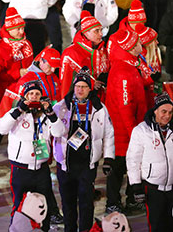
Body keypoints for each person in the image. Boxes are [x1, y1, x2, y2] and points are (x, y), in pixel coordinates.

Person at [0, 80, 65, 231]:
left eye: (37, 94)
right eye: (31, 94)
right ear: (25, 96)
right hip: (21, 170)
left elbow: (59, 132)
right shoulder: (16, 114)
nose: (34, 97)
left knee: (43, 205)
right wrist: (17, 111)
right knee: (19, 204)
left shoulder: (46, 116)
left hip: (41, 170)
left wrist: (51, 113)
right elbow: (0, 128)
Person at [53, 67, 115, 232]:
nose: (80, 90)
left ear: (90, 89)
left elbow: (109, 134)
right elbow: (50, 132)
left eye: (84, 87)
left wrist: (108, 158)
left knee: (87, 203)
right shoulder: (61, 107)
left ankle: (86, 230)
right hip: (66, 164)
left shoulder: (99, 108)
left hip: (87, 165)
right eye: (77, 86)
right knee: (68, 202)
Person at [105, 29, 147, 213]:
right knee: (119, 168)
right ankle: (113, 203)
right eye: (138, 43)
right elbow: (125, 106)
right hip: (123, 133)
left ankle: (130, 200)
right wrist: (134, 133)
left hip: (130, 129)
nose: (141, 46)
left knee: (131, 165)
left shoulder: (128, 66)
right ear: (130, 48)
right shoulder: (123, 70)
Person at [126, 92, 173, 232]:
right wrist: (136, 185)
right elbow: (133, 159)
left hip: (172, 187)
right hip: (153, 189)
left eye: (170, 112)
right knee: (157, 225)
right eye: (163, 111)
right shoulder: (141, 131)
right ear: (155, 110)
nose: (167, 115)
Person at [60, 11, 110, 98]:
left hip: (102, 100)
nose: (101, 34)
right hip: (80, 102)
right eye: (96, 31)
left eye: (101, 30)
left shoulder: (103, 50)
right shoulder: (71, 53)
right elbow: (65, 85)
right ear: (86, 33)